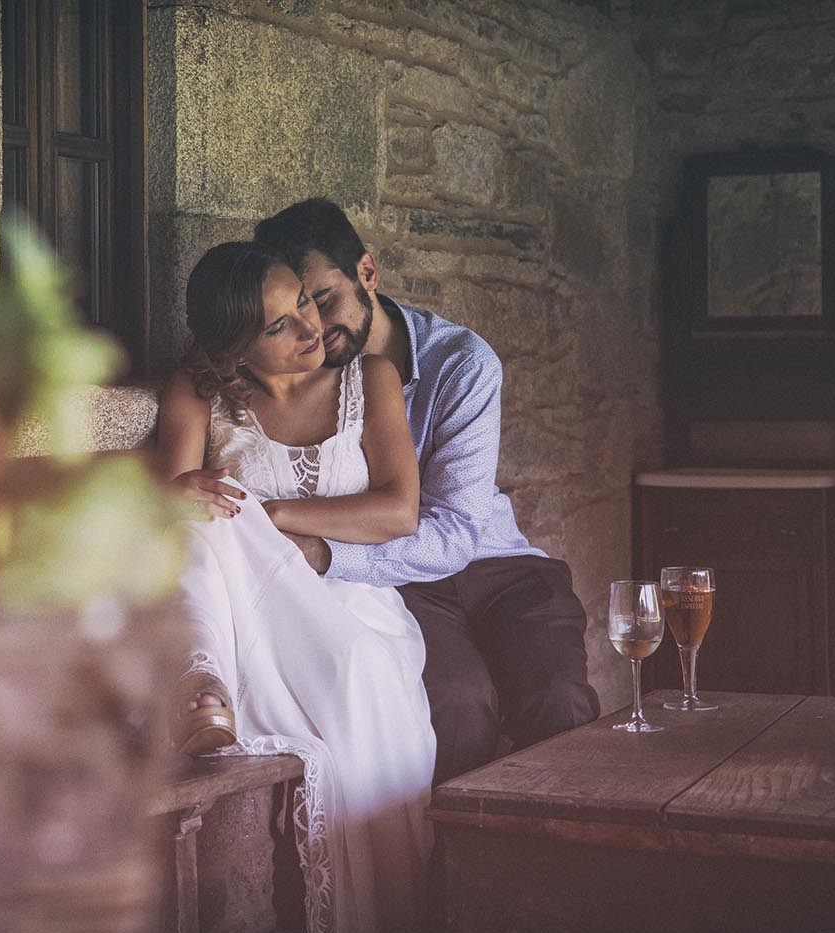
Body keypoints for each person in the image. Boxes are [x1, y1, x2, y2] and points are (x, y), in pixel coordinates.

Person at [254, 198, 602, 786]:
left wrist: (329, 552)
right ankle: (458, 869)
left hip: (496, 565)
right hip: (399, 583)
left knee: (560, 702)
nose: (314, 326)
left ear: (368, 273)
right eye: (296, 310)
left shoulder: (461, 363)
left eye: (325, 298)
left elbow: (459, 532)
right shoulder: (295, 370)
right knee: (456, 713)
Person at [153, 241, 435, 933]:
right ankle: (202, 679)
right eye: (280, 325)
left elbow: (399, 511)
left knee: (355, 672)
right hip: (244, 608)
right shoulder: (197, 393)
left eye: (305, 303)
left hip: (350, 601)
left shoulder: (371, 379)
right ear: (233, 350)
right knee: (198, 523)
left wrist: (267, 516)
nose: (312, 330)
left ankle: (204, 683)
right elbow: (169, 512)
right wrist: (178, 494)